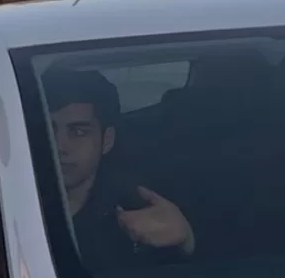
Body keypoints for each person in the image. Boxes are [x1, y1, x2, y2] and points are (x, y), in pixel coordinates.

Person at [43, 67, 194, 267]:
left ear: (107, 140)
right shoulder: (2, 196)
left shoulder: (140, 207)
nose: (59, 146)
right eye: (47, 129)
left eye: (78, 132)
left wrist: (186, 241)